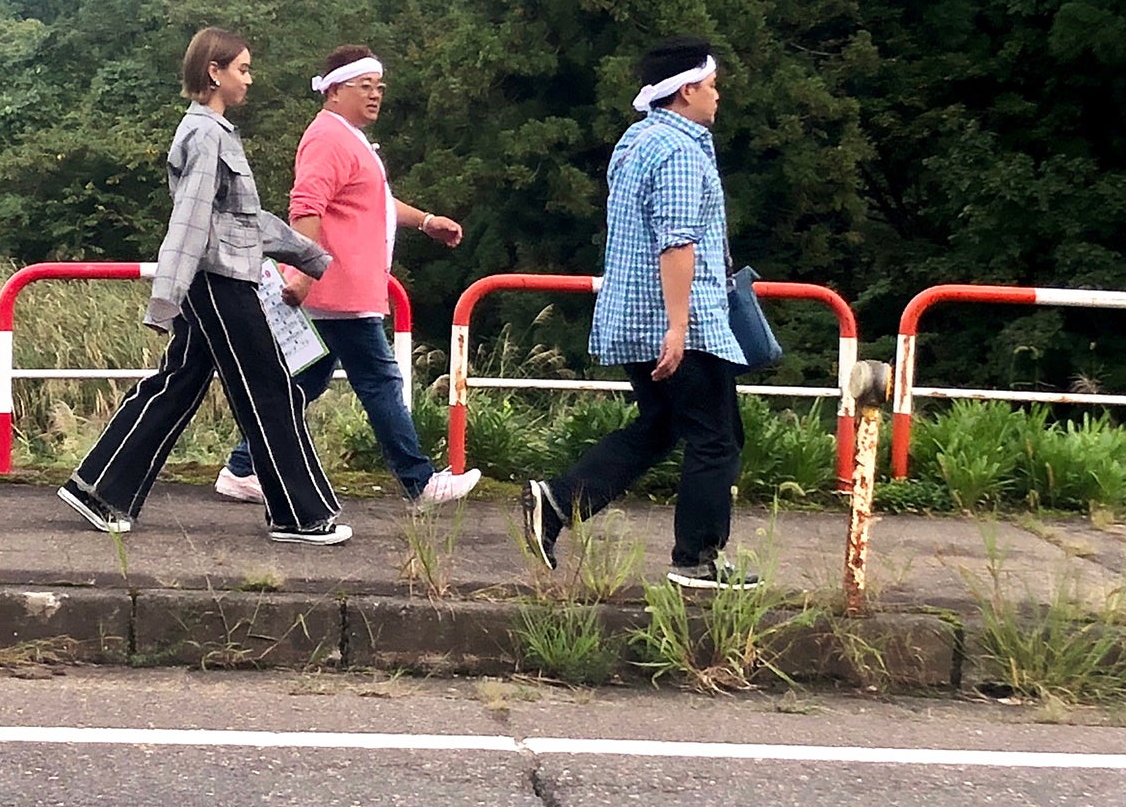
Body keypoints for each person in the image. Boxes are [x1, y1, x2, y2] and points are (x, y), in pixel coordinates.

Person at [58, 27, 351, 545]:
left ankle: (99, 489)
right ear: (213, 72)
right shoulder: (205, 135)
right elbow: (190, 221)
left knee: (178, 384)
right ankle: (298, 515)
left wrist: (311, 257)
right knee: (269, 389)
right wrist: (164, 299)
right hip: (220, 283)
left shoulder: (215, 133)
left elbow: (244, 221)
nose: (249, 80)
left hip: (217, 279)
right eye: (243, 69)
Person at [520, 36, 759, 589]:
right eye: (712, 85)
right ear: (686, 90)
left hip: (632, 316)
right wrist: (679, 327)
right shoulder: (680, 152)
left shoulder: (637, 140)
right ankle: (697, 560)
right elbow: (676, 242)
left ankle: (559, 502)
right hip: (680, 322)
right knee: (717, 439)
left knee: (662, 427)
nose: (718, 95)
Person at [213, 45, 481, 507]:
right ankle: (418, 481)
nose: (375, 95)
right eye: (365, 86)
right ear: (335, 91)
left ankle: (243, 467)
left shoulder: (345, 138)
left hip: (341, 289)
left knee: (303, 383)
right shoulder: (328, 139)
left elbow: (371, 201)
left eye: (379, 87)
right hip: (336, 290)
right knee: (379, 381)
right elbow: (306, 206)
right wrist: (303, 271)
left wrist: (425, 221)